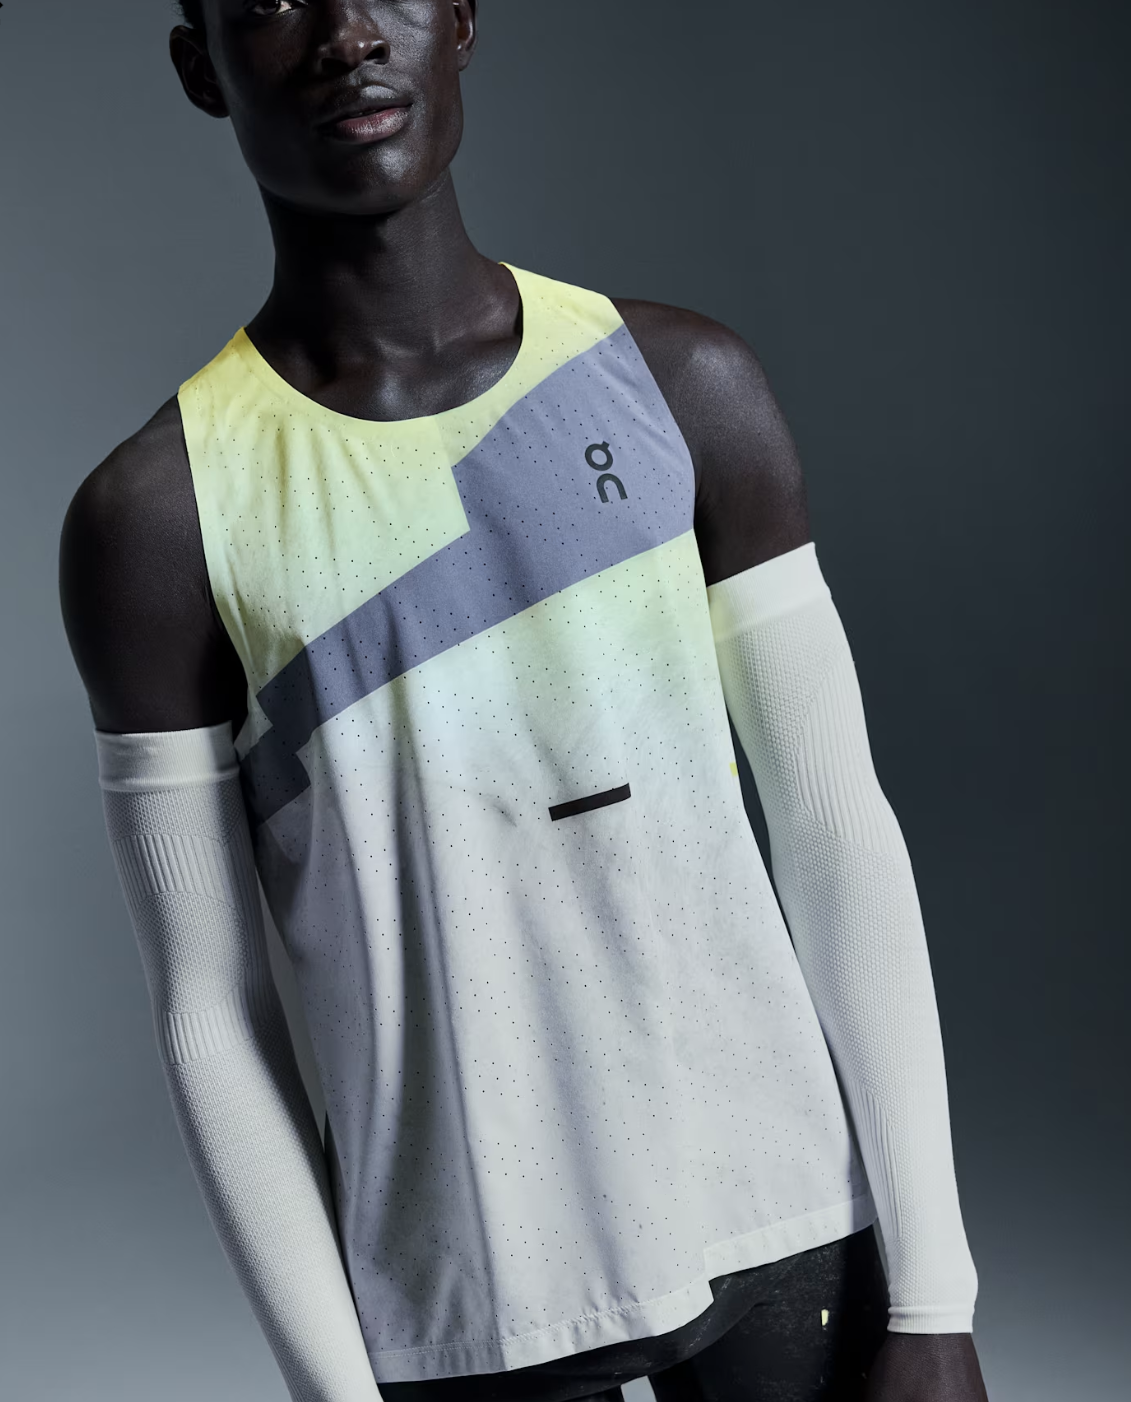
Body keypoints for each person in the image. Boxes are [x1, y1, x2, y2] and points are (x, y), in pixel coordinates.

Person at [58, 4, 990, 1400]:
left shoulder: (681, 385)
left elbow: (835, 833)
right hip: (464, 1291)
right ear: (202, 66)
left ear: (460, 17)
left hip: (787, 1217)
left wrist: (931, 1296)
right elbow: (213, 1013)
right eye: (274, 0)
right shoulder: (159, 516)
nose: (344, 34)